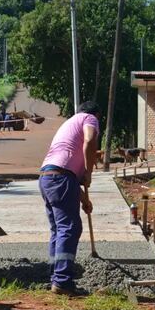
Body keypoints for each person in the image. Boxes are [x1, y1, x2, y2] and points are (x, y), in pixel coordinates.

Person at [39, 100, 99, 296]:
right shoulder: (89, 118)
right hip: (61, 177)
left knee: (58, 229)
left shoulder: (69, 123)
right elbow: (89, 142)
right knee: (69, 228)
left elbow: (67, 176)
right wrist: (89, 172)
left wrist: (83, 200)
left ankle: (55, 276)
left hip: (47, 177)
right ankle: (63, 281)